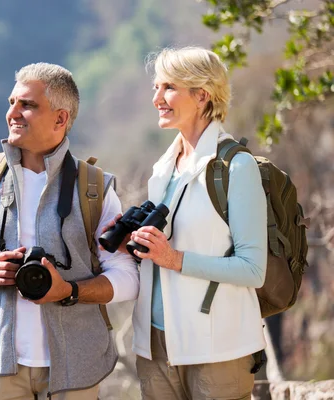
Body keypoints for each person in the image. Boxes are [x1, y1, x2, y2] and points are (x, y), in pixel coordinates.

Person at [0, 62, 139, 400]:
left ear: (61, 118)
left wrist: (67, 291)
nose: (13, 113)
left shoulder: (94, 187)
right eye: (12, 102)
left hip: (77, 368)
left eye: (27, 105)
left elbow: (128, 278)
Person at [109, 47, 268, 399]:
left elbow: (253, 269)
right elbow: (166, 256)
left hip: (217, 348)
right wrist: (137, 249)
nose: (156, 99)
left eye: (168, 87)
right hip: (156, 346)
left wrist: (173, 259)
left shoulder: (236, 168)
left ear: (201, 95)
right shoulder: (164, 168)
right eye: (155, 87)